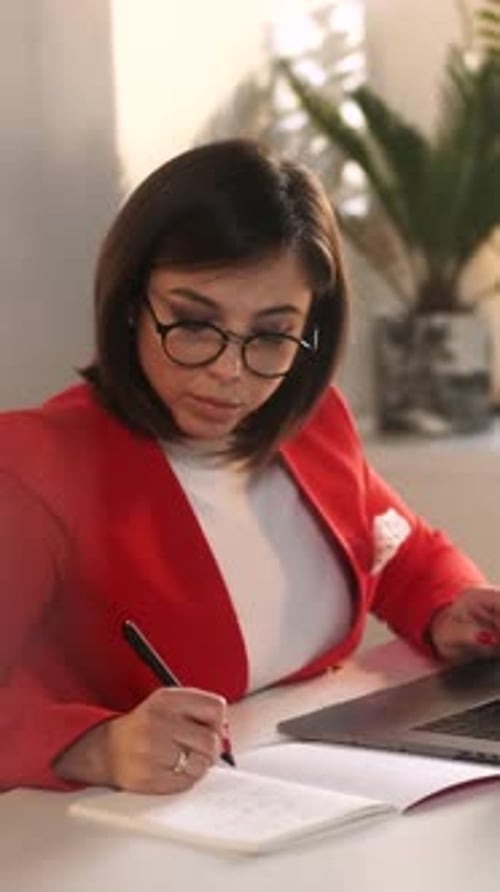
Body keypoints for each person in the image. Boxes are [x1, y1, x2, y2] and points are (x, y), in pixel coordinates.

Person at [1, 139, 499, 796]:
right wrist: (95, 745)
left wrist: (452, 606)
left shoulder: (313, 422)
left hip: (323, 797)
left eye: (271, 333)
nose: (229, 371)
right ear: (130, 303)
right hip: (123, 838)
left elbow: (399, 552)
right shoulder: (35, 463)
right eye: (192, 322)